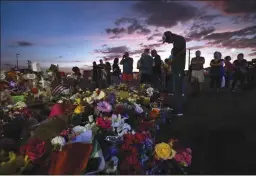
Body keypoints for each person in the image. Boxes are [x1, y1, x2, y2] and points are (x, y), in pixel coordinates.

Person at [162, 31, 186, 116]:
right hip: (177, 68)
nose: (168, 43)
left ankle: (179, 111)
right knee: (177, 91)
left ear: (170, 37)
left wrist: (172, 61)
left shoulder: (178, 40)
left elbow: (181, 52)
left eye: (167, 41)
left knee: (178, 91)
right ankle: (178, 108)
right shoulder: (177, 40)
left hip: (178, 69)